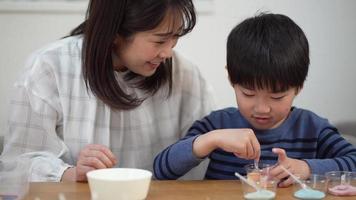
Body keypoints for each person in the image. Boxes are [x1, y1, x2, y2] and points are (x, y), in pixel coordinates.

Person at [0, 0, 215, 182]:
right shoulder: (49, 68)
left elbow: (208, 150)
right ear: (115, 33)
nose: (168, 52)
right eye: (159, 40)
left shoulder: (183, 73)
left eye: (175, 37)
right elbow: (17, 163)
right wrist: (71, 173)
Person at [153, 13, 356, 187]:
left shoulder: (312, 128)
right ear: (231, 79)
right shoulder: (218, 125)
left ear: (299, 87)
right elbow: (162, 171)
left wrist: (306, 167)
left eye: (277, 97)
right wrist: (210, 139)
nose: (262, 108)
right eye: (248, 94)